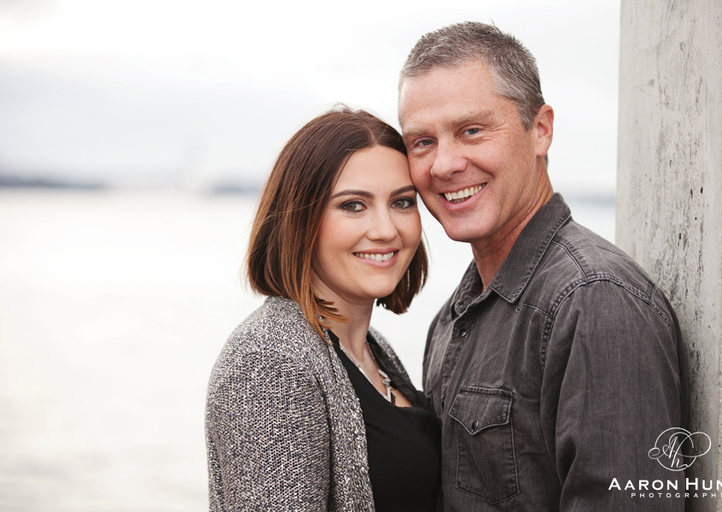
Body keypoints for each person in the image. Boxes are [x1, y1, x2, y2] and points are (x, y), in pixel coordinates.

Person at [398, 22, 686, 511]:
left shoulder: (595, 300)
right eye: (422, 142)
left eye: (471, 130)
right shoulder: (453, 317)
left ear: (541, 130)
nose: (444, 164)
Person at [205, 108, 441, 511]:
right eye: (353, 206)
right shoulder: (269, 361)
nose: (386, 229)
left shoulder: (370, 348)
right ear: (301, 220)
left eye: (402, 202)